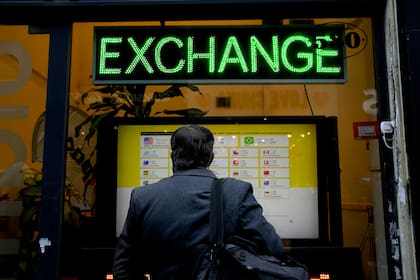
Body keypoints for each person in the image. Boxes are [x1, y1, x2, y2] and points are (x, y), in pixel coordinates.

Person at [113, 124, 284, 280]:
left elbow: (124, 267)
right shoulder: (236, 192)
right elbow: (273, 247)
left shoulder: (142, 197)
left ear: (172, 156)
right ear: (210, 158)